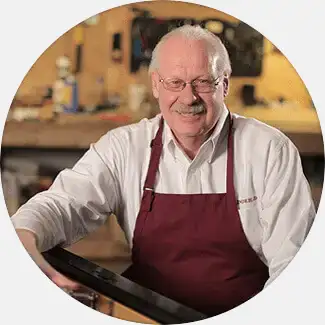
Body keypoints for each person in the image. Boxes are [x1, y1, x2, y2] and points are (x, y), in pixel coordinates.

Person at [11, 25, 316, 316]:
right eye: (175, 83)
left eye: (203, 82)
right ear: (156, 85)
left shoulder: (269, 149)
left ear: (224, 84)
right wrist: (24, 233)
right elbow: (63, 204)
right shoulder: (124, 147)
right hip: (146, 314)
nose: (188, 97)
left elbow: (293, 267)